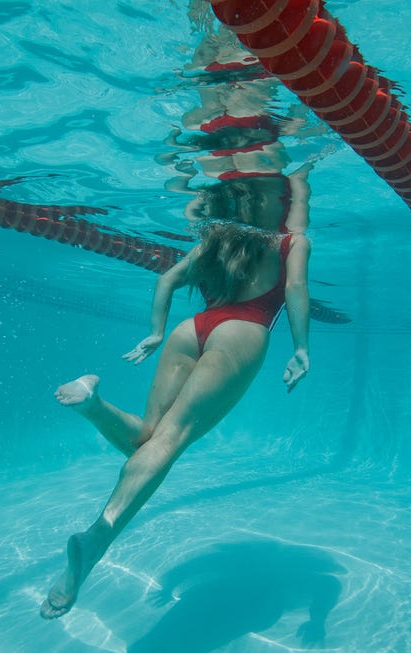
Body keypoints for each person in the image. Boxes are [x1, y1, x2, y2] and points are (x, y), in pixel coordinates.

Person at [39, 211, 311, 620]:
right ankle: (97, 538)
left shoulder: (217, 232)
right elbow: (294, 286)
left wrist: (155, 332)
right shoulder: (293, 241)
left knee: (147, 438)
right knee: (170, 440)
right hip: (244, 330)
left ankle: (92, 404)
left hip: (193, 327)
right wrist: (301, 347)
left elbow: (166, 279)